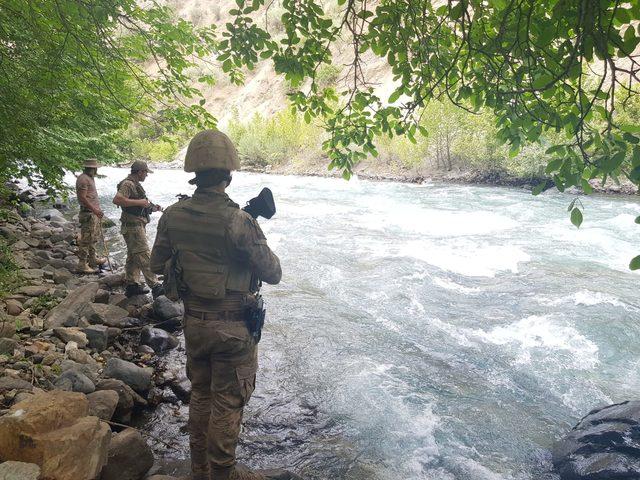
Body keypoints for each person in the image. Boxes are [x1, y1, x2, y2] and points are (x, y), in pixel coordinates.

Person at [150, 131, 295, 480]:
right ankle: (223, 473)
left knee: (200, 395)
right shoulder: (238, 220)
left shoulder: (172, 214)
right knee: (228, 402)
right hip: (232, 328)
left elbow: (156, 265)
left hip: (195, 324)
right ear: (228, 176)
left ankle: (200, 471)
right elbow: (273, 273)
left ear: (195, 176)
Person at [112, 160, 163, 298]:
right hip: (133, 226)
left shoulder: (135, 185)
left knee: (133, 256)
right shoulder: (128, 184)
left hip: (135, 225)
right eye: (146, 172)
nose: (147, 175)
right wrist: (140, 202)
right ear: (140, 172)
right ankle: (156, 286)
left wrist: (153, 207)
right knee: (143, 253)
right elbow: (117, 200)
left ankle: (132, 285)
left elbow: (138, 205)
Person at [75, 158, 106, 274]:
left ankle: (92, 259)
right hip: (88, 213)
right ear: (92, 168)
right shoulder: (83, 179)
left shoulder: (89, 178)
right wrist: (95, 210)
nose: (96, 170)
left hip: (92, 213)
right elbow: (83, 198)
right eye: (95, 168)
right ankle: (82, 264)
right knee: (86, 240)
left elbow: (91, 196)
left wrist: (97, 210)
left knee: (93, 238)